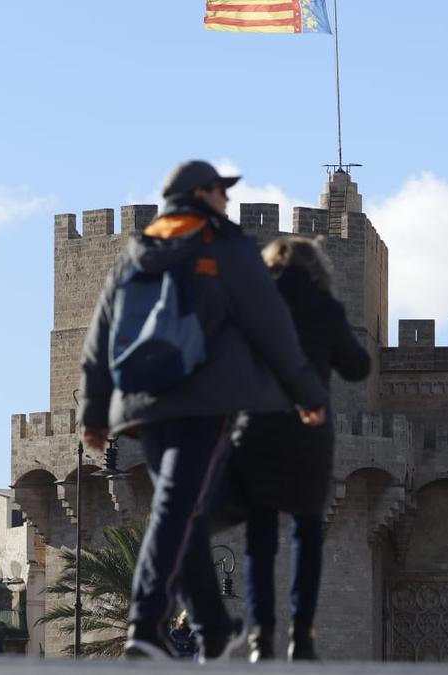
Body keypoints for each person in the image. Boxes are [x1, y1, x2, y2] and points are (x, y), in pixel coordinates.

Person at [78, 160, 329, 661]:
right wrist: (306, 390)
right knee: (177, 505)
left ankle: (212, 626)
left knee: (182, 508)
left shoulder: (140, 248)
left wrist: (95, 409)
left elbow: (101, 331)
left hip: (143, 403)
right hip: (203, 399)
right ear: (201, 193)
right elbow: (271, 324)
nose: (228, 200)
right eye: (221, 190)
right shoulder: (224, 246)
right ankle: (146, 624)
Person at [230, 235, 371, 662]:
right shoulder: (325, 309)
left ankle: (260, 638)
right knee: (307, 532)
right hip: (309, 431)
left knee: (259, 537)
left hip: (257, 427)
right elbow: (358, 366)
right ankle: (302, 637)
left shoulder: (254, 304)